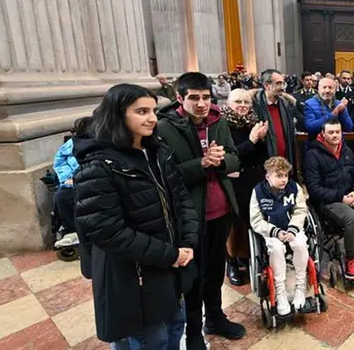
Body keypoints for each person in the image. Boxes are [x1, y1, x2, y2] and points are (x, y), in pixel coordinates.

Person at [75, 84, 198, 349]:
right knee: (151, 340)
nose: (152, 118)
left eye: (153, 111)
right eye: (142, 111)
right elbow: (106, 230)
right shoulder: (99, 164)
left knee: (176, 328)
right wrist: (170, 255)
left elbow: (181, 199)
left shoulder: (158, 152)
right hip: (135, 275)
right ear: (119, 114)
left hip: (170, 266)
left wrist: (187, 242)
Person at [156, 72, 245, 348]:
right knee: (194, 277)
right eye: (194, 98)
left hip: (221, 211)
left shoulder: (218, 121)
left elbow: (234, 157)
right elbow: (164, 174)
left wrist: (221, 162)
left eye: (205, 97)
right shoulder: (166, 128)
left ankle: (215, 317)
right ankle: (193, 332)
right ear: (180, 98)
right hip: (190, 216)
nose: (201, 104)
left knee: (216, 270)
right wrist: (202, 164)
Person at [304, 119, 354, 279]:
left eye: (338, 132)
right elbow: (314, 189)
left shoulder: (346, 150)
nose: (336, 135)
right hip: (328, 202)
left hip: (350, 195)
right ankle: (350, 259)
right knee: (352, 217)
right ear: (323, 134)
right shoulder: (312, 155)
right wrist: (341, 198)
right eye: (331, 132)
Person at [249, 157, 309, 316]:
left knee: (301, 244)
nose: (284, 179)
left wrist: (293, 229)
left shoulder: (294, 187)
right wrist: (274, 231)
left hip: (292, 229)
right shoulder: (258, 192)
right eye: (279, 175)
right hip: (272, 231)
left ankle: (300, 287)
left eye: (286, 175)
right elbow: (255, 220)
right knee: (276, 248)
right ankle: (280, 291)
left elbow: (301, 210)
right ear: (268, 176)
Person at [222, 89, 268, 286]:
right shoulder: (222, 126)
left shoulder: (254, 122)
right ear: (228, 103)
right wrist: (251, 140)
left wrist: (261, 140)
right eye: (237, 101)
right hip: (233, 183)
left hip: (254, 180)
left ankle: (248, 257)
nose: (242, 105)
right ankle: (231, 262)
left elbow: (259, 156)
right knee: (234, 226)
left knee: (253, 221)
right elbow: (229, 158)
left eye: (246, 102)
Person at [51, 116, 91, 248]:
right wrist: (67, 178)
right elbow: (60, 162)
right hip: (71, 181)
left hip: (89, 178)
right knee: (62, 196)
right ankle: (71, 231)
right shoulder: (69, 145)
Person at [252, 69, 299, 174]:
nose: (282, 87)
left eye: (283, 83)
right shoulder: (255, 107)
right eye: (278, 83)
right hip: (264, 163)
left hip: (286, 160)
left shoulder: (286, 105)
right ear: (266, 86)